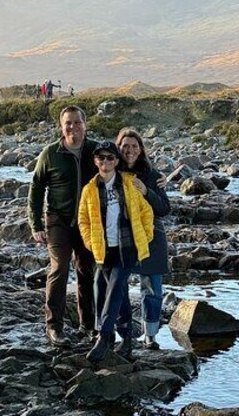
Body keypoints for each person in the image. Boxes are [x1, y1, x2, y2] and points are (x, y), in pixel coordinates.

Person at [28, 106, 99, 347]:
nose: (73, 127)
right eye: (68, 123)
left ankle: (88, 326)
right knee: (59, 268)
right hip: (58, 220)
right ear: (61, 126)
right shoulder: (51, 153)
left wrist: (154, 179)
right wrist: (35, 223)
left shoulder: (95, 151)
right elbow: (36, 188)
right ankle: (54, 327)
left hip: (88, 222)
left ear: (85, 124)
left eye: (77, 122)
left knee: (86, 270)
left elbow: (126, 167)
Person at [78, 140, 154, 362]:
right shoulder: (89, 189)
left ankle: (103, 336)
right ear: (96, 161)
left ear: (117, 161)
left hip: (128, 247)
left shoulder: (130, 183)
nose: (105, 161)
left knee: (114, 288)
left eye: (110, 157)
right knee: (112, 292)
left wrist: (145, 236)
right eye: (101, 158)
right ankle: (127, 340)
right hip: (103, 249)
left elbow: (146, 212)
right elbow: (83, 220)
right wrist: (90, 243)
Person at [117, 128, 170, 349]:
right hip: (122, 236)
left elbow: (164, 209)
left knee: (152, 288)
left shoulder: (154, 175)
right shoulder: (109, 171)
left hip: (152, 236)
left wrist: (146, 190)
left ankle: (150, 335)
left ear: (141, 150)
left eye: (134, 146)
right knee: (119, 286)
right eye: (125, 146)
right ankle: (125, 333)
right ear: (118, 147)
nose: (129, 151)